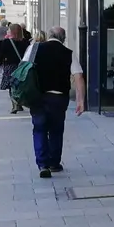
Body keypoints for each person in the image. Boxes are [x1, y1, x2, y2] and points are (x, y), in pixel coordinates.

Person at [28, 26, 84, 178]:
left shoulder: (35, 48)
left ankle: (42, 164)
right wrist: (81, 101)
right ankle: (54, 163)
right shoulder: (68, 53)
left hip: (38, 96)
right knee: (56, 130)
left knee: (39, 129)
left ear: (48, 36)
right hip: (59, 98)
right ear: (63, 38)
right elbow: (78, 77)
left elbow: (24, 68)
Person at [0, 23, 29, 113]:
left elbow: (1, 54)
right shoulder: (25, 42)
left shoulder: (6, 42)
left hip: (9, 66)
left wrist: (0, 63)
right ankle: (19, 103)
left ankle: (14, 104)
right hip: (22, 67)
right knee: (20, 85)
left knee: (12, 85)